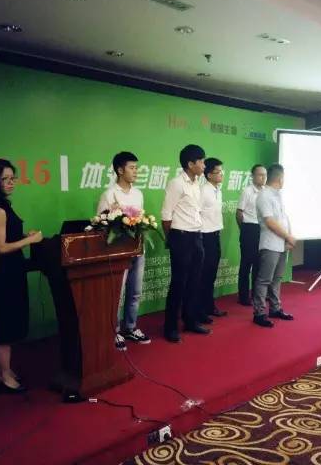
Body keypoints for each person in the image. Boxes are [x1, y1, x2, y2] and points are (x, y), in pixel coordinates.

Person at [0, 159, 43, 393]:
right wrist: (30, 240)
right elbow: (1, 247)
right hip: (4, 274)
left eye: (12, 178)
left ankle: (5, 370)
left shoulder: (3, 205)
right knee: (4, 327)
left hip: (13, 271)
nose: (11, 182)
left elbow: (8, 237)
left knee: (11, 323)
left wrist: (24, 235)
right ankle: (4, 376)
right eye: (5, 179)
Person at [97, 151, 151, 351]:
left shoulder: (138, 194)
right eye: (132, 168)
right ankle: (114, 331)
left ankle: (130, 327)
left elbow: (140, 220)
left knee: (135, 291)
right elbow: (101, 224)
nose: (136, 171)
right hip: (118, 252)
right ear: (120, 170)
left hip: (137, 249)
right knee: (117, 294)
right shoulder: (109, 194)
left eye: (137, 168)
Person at [161, 144, 209, 342]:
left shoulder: (196, 183)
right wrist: (172, 239)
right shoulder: (176, 183)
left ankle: (190, 320)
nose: (204, 165)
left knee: (194, 282)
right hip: (180, 237)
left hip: (197, 237)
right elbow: (166, 215)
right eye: (201, 161)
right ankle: (170, 327)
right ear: (190, 164)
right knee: (179, 283)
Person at [252, 164, 296, 327]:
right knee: (264, 279)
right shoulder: (264, 196)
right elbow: (270, 222)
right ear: (280, 178)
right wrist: (288, 236)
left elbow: (283, 218)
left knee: (276, 279)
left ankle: (275, 308)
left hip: (281, 243)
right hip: (270, 243)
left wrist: (288, 237)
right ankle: (259, 313)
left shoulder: (278, 195)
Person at [199, 158, 228, 318]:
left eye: (222, 171)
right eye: (218, 171)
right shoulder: (203, 191)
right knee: (204, 274)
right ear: (209, 175)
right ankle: (201, 310)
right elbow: (196, 213)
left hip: (216, 234)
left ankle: (209, 306)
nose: (221, 174)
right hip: (204, 236)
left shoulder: (218, 190)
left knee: (211, 274)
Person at [236, 164, 267, 306]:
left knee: (258, 264)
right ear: (253, 176)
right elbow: (239, 213)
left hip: (262, 230)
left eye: (265, 175)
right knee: (246, 264)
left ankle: (256, 294)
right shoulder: (247, 191)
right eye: (260, 174)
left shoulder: (266, 192)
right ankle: (243, 296)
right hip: (249, 229)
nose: (263, 177)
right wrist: (244, 229)